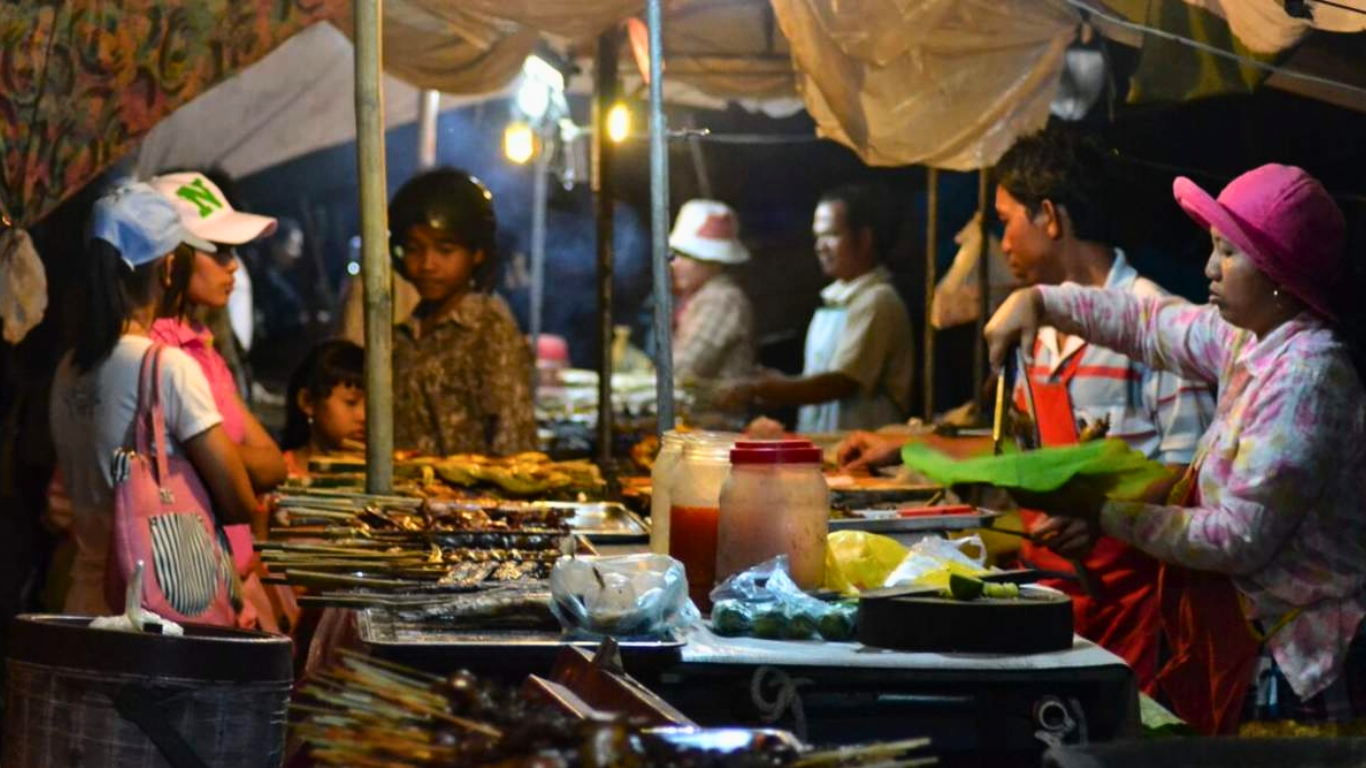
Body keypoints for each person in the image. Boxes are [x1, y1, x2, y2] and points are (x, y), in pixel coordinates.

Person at [985, 164, 1366, 735]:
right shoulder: (1251, 339)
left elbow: (1237, 538)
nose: (1209, 268)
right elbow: (1150, 323)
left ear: (1278, 272)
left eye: (1228, 253)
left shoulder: (1307, 376)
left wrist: (1105, 512)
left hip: (1300, 661)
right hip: (1251, 641)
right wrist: (1040, 302)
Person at [839, 128, 1216, 690]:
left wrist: (1099, 515)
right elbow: (1024, 458)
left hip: (1139, 602)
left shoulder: (1158, 324)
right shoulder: (1036, 329)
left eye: (1005, 220)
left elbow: (1191, 477)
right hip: (1051, 593)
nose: (1002, 241)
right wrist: (911, 447)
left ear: (1050, 216)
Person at [48, 182, 260, 616]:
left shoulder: (68, 368)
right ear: (167, 270)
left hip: (85, 603)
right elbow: (239, 499)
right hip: (158, 611)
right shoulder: (165, 367)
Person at [720, 184, 915, 432]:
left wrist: (772, 387)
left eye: (831, 235)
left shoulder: (877, 300)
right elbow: (818, 378)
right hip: (828, 445)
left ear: (865, 239)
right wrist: (776, 385)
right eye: (817, 236)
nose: (820, 246)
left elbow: (841, 382)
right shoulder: (835, 301)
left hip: (865, 449)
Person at [149, 171, 287, 505]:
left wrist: (201, 455)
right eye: (220, 250)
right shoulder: (150, 354)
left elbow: (273, 465)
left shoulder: (199, 341)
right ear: (171, 257)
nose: (233, 266)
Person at [389, 168, 537, 456]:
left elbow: (514, 439)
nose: (427, 264)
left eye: (445, 250)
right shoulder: (405, 332)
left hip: (471, 499)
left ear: (477, 253)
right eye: (414, 249)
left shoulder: (489, 327)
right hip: (406, 498)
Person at [668, 199, 755, 382]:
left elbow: (684, 369)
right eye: (676, 254)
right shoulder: (696, 297)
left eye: (687, 256)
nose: (676, 263)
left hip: (714, 410)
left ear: (713, 262)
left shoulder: (722, 300)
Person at [282, 340, 366, 476]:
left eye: (372, 407)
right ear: (308, 402)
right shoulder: (276, 474)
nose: (364, 416)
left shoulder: (388, 478)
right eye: (351, 402)